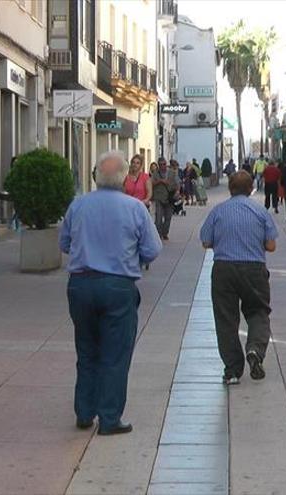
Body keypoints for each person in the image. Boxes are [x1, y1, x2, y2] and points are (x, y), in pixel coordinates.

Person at [60, 150, 162, 435]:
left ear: (96, 177)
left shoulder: (78, 205)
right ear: (123, 178)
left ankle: (84, 410)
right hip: (118, 286)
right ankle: (109, 417)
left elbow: (65, 243)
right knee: (116, 353)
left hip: (80, 284)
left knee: (86, 348)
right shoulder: (135, 208)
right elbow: (152, 250)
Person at [200, 171, 278, 384]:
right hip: (254, 269)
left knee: (226, 318)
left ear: (230, 188)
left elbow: (205, 241)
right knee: (258, 311)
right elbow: (271, 245)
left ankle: (233, 370)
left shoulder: (218, 211)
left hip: (224, 270)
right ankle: (254, 349)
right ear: (251, 187)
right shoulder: (260, 212)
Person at [151, 158, 179, 240]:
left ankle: (165, 233)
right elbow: (151, 183)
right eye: (160, 164)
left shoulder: (172, 172)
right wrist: (159, 181)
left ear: (166, 164)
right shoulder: (155, 173)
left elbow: (178, 183)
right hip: (159, 198)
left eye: (164, 164)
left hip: (169, 198)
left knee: (168, 218)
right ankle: (158, 234)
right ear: (158, 165)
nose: (162, 166)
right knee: (158, 218)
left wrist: (177, 191)